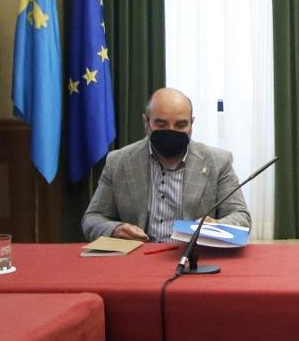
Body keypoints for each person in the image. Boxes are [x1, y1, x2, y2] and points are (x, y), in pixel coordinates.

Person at [82, 88, 250, 242]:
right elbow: (92, 218)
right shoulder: (118, 162)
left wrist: (216, 226)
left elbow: (241, 217)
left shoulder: (218, 162)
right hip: (137, 257)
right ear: (146, 122)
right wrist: (115, 229)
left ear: (192, 124)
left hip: (193, 256)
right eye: (161, 125)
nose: (171, 131)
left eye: (181, 125)